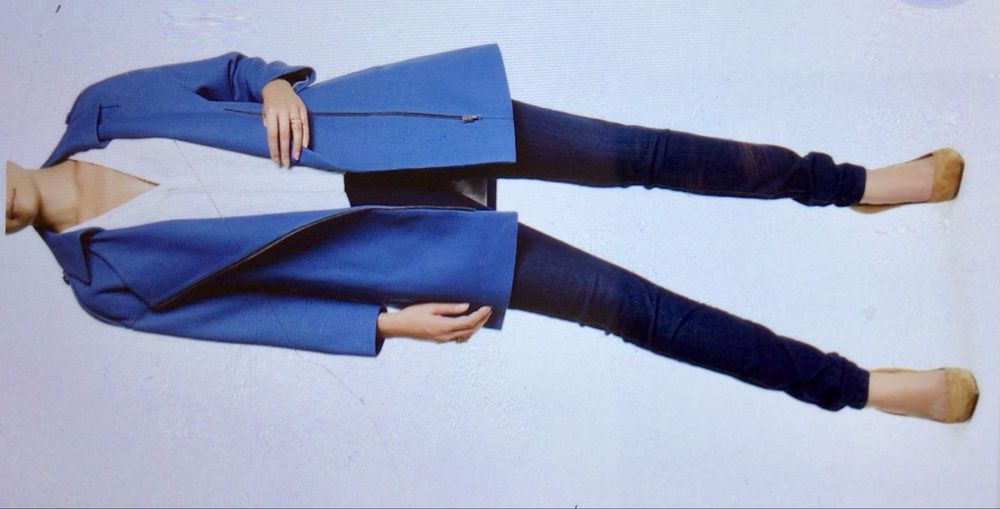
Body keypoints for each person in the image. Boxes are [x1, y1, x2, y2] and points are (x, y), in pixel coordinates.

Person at [3, 44, 978, 424]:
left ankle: (855, 183)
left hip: (395, 131)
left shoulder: (101, 105)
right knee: (633, 310)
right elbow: (254, 315)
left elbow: (228, 73)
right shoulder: (101, 284)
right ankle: (860, 386)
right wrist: (384, 325)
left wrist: (269, 86)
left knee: (638, 153)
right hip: (390, 249)